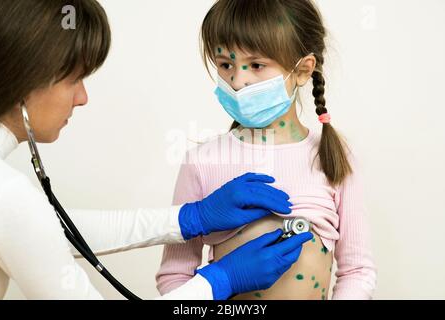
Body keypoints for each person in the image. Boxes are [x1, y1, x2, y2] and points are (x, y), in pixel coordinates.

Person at [0, 0, 313, 300]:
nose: (82, 97)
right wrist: (221, 281)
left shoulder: (9, 198)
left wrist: (192, 218)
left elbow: (50, 230)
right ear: (28, 75)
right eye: (75, 79)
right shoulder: (7, 195)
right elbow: (27, 220)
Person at [156, 0, 377, 300]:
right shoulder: (203, 162)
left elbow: (357, 271)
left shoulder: (332, 157)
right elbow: (175, 275)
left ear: (302, 70)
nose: (238, 80)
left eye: (256, 65)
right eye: (225, 64)